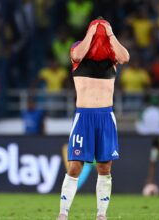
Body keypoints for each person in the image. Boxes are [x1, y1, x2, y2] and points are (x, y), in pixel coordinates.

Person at [57, 17, 129, 220]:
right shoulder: (78, 49)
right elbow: (79, 53)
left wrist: (110, 33)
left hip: (105, 117)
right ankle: (63, 213)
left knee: (105, 167)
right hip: (84, 117)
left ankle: (101, 214)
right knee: (74, 166)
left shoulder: (112, 55)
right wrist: (92, 30)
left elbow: (125, 57)